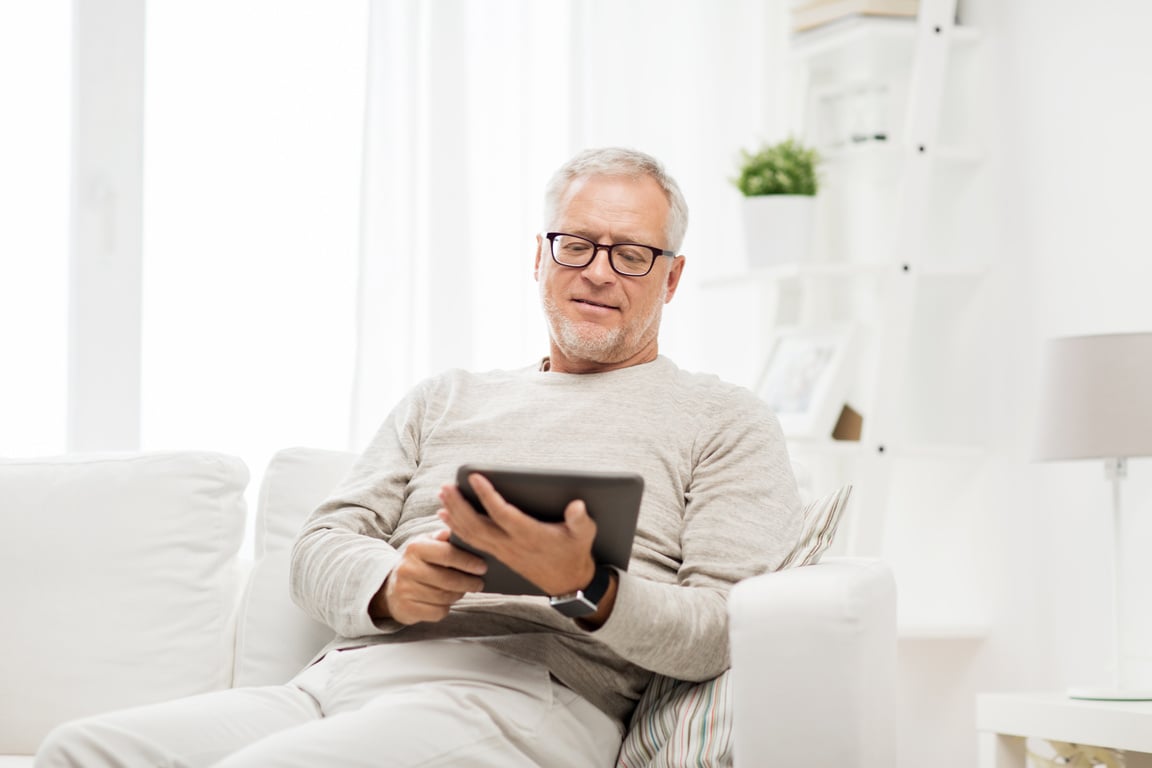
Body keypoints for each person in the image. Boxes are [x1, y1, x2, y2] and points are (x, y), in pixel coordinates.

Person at [35, 147, 802, 768]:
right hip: (342, 679)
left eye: (632, 253)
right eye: (577, 244)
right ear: (539, 257)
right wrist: (395, 586)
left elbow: (720, 631)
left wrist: (587, 584)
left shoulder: (724, 419)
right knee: (80, 750)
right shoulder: (446, 398)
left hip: (527, 698)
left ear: (672, 276)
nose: (599, 270)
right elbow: (320, 547)